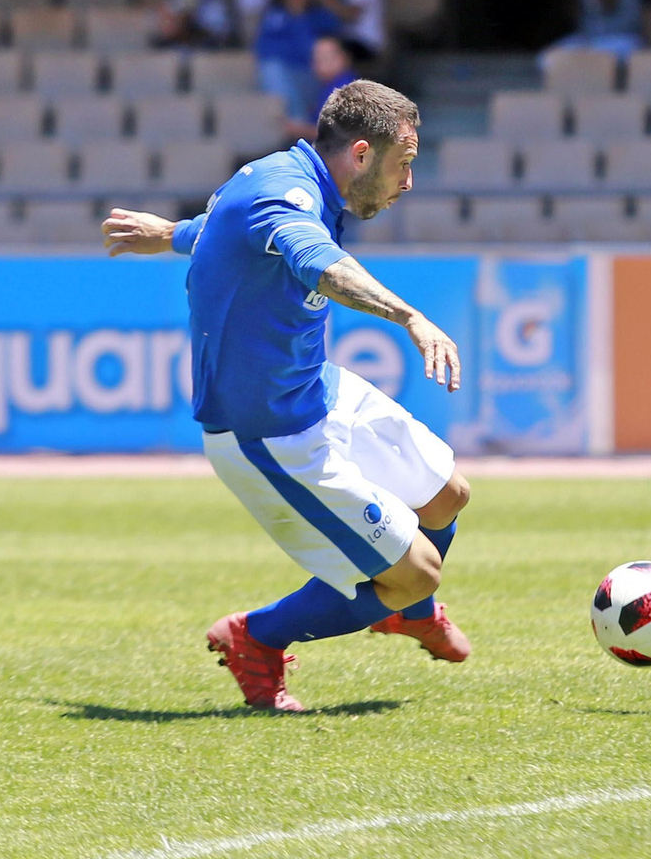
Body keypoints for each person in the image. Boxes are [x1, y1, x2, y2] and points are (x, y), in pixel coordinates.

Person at [99, 81, 472, 712]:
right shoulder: (285, 195)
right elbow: (317, 262)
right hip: (268, 436)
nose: (408, 182)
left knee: (446, 498)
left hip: (315, 389)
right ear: (360, 154)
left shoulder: (280, 179)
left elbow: (226, 226)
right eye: (403, 164)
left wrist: (170, 235)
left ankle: (407, 612)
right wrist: (409, 317)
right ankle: (258, 638)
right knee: (414, 569)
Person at [254, 0, 342, 125]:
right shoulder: (274, 15)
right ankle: (299, 122)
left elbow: (333, 40)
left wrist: (301, 16)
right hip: (285, 75)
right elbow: (264, 50)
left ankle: (301, 127)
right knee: (270, 69)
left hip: (314, 75)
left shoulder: (320, 15)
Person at [284, 36, 359, 141]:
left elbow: (336, 136)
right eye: (316, 59)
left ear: (344, 58)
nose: (319, 64)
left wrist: (297, 129)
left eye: (326, 58)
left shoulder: (347, 91)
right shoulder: (327, 86)